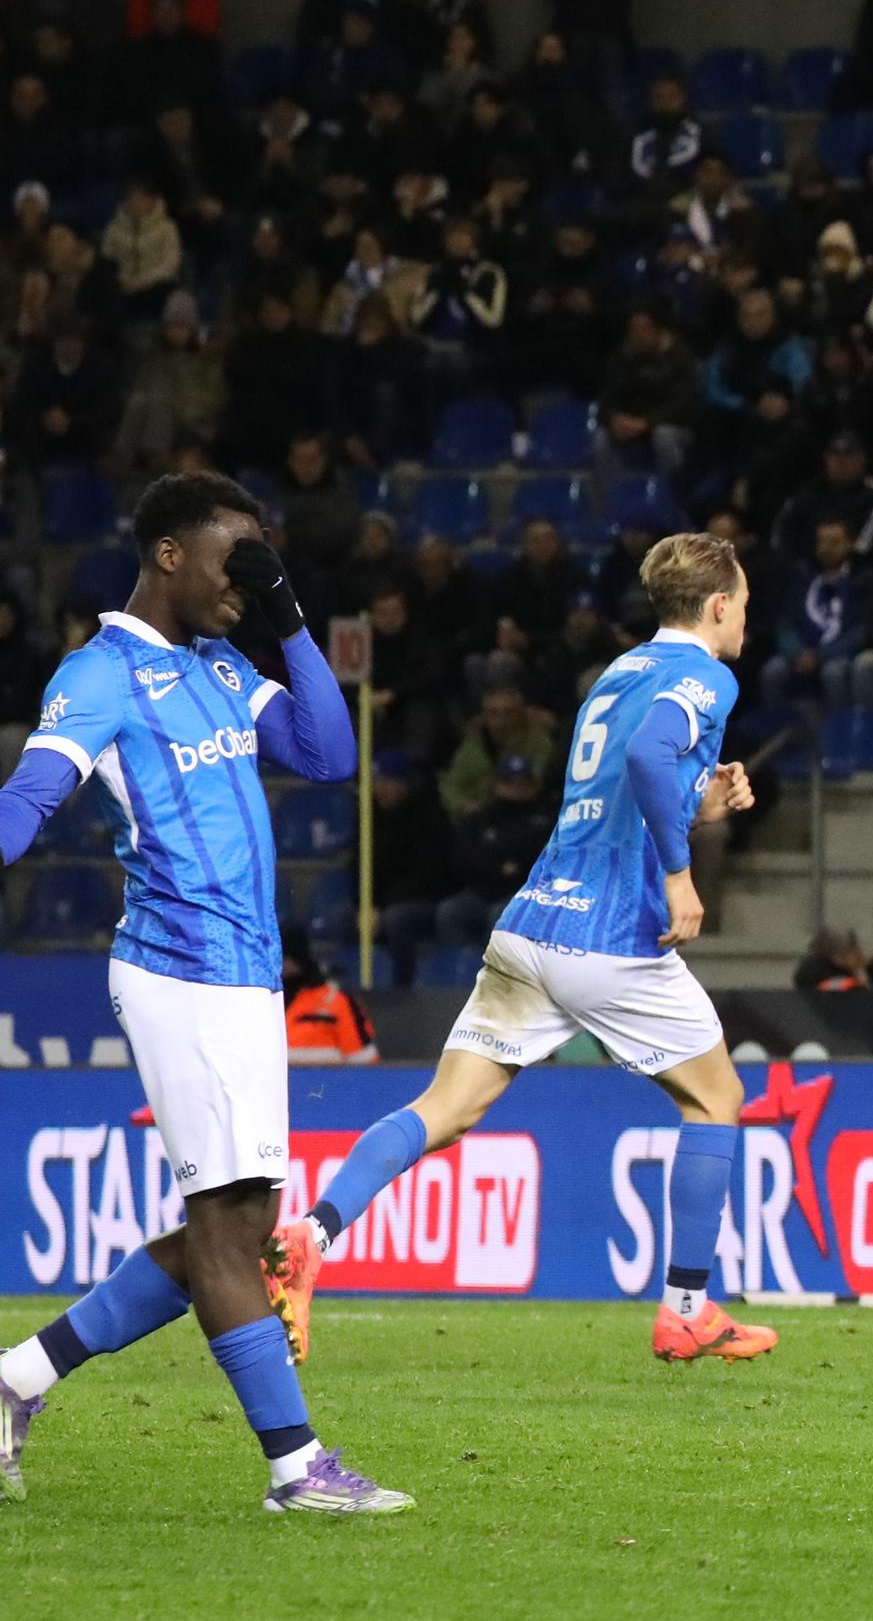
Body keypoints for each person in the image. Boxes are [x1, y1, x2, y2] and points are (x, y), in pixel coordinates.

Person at [0, 474, 405, 1513]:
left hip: (243, 976)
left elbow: (328, 753)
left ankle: (15, 1381)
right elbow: (32, 796)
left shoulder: (224, 663)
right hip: (179, 967)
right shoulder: (101, 676)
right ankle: (295, 1468)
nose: (249, 581)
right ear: (170, 554)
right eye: (238, 561)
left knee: (236, 1229)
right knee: (232, 1233)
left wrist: (288, 618)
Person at [271, 534, 769, 1369]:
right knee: (716, 1099)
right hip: (608, 937)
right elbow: (651, 756)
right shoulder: (711, 676)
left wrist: (700, 805)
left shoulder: (614, 675)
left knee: (445, 1109)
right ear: (718, 605)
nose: (747, 618)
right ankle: (685, 1310)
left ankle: (310, 1234)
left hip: (530, 924)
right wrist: (682, 877)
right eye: (745, 603)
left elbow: (623, 785)